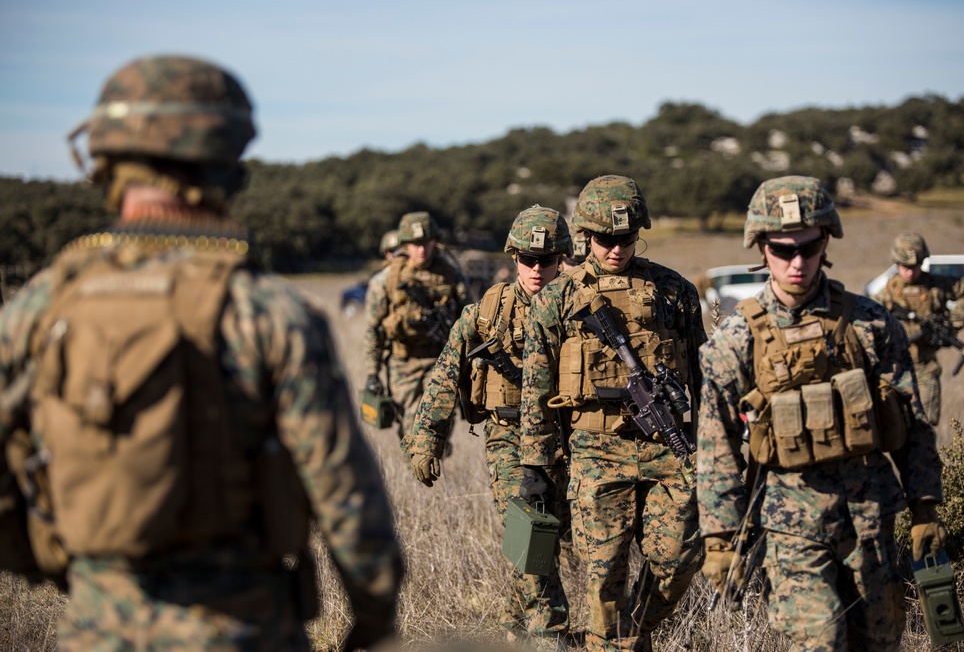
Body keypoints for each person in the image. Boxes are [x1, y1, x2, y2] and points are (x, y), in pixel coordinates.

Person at [0, 55, 403, 651]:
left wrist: (74, 573)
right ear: (228, 164)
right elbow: (345, 494)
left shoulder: (40, 306)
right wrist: (372, 619)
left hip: (94, 628)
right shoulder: (268, 312)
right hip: (246, 628)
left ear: (104, 164)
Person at [697, 176, 945, 651]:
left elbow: (913, 425)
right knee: (821, 643)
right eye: (782, 248)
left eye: (808, 248)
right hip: (792, 527)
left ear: (825, 241)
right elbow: (716, 446)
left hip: (872, 519)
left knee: (879, 642)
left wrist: (925, 507)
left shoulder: (871, 325)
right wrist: (720, 538)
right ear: (761, 247)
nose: (796, 262)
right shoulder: (737, 340)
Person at [518, 175, 705, 652]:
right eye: (605, 239)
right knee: (604, 577)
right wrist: (536, 467)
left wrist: (712, 441)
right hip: (595, 453)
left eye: (626, 238)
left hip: (668, 448)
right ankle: (612, 643)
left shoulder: (674, 291)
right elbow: (536, 391)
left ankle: (630, 635)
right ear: (585, 237)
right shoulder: (556, 299)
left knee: (680, 558)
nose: (616, 249)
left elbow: (701, 372)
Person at [403, 206, 573, 647]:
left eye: (548, 259)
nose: (537, 269)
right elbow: (445, 375)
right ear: (513, 258)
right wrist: (426, 442)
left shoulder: (581, 309)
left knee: (552, 536)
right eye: (527, 259)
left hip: (569, 437)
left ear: (563, 258)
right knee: (530, 528)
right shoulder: (485, 314)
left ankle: (512, 621)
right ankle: (547, 633)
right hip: (508, 435)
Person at [362, 211, 469, 442]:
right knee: (410, 429)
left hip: (440, 360)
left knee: (438, 425)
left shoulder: (451, 276)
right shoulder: (387, 280)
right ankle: (416, 470)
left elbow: (469, 317)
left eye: (427, 243)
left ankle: (434, 456)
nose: (422, 250)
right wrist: (373, 372)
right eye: (415, 244)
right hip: (403, 362)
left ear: (435, 242)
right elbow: (373, 329)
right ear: (405, 244)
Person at [874, 231, 964, 427]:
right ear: (896, 263)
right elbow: (870, 326)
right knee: (895, 428)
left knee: (926, 428)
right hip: (895, 369)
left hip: (925, 368)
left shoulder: (936, 286)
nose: (910, 272)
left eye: (915, 266)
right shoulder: (886, 294)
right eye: (905, 267)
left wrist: (952, 322)